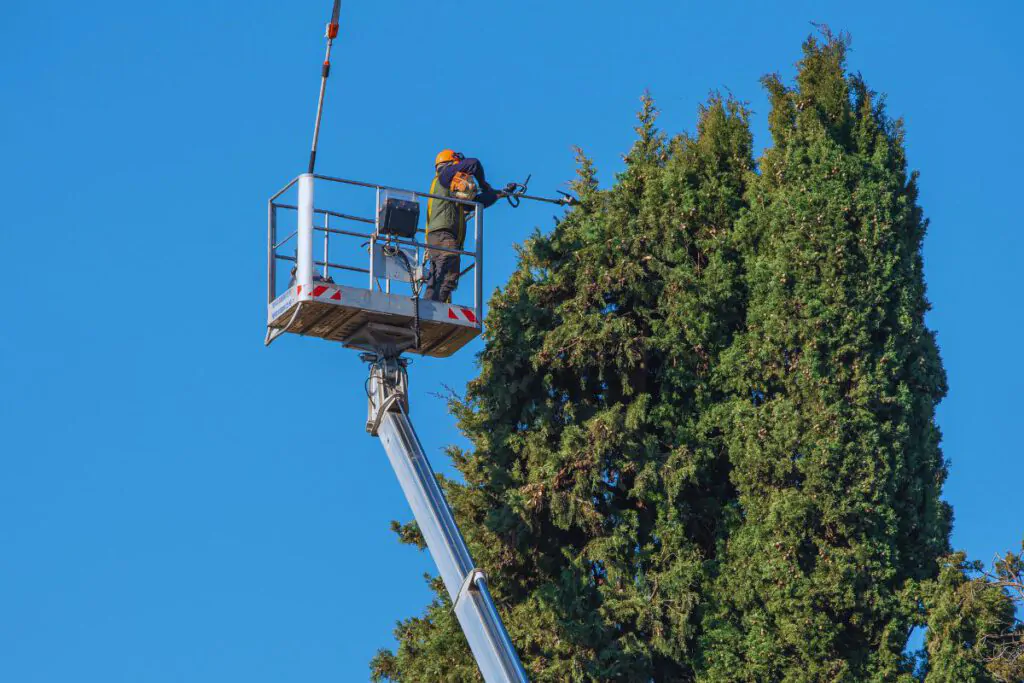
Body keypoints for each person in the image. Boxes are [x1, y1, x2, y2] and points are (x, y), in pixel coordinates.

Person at [423, 150, 501, 302]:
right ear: (452, 164)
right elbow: (474, 163)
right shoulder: (445, 176)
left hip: (437, 237)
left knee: (436, 277)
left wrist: (497, 194)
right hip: (443, 236)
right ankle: (435, 309)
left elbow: (475, 204)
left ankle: (427, 308)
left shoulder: (450, 190)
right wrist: (484, 185)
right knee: (449, 273)